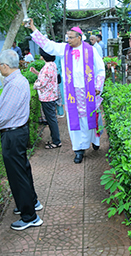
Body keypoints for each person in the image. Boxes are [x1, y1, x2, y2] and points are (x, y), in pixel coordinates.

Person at [27, 19, 105, 164]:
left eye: (70, 37)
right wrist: (33, 28)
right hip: (72, 93)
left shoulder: (91, 50)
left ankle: (94, 140)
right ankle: (78, 149)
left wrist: (98, 86)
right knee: (75, 120)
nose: (67, 40)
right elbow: (48, 45)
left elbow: (100, 69)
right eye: (67, 37)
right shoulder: (64, 49)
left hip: (88, 92)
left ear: (79, 38)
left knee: (90, 118)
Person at [0, 49, 43, 230]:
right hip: (18, 131)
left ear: (5, 66)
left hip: (12, 133)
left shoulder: (14, 84)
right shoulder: (19, 80)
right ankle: (31, 202)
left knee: (17, 175)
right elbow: (5, 107)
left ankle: (29, 217)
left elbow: (6, 112)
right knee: (22, 170)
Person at [30, 48, 61, 149]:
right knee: (52, 119)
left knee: (51, 119)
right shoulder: (52, 65)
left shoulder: (47, 66)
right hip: (51, 95)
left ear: (43, 56)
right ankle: (56, 139)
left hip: (47, 97)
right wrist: (36, 72)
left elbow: (42, 82)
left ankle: (56, 141)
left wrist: (35, 84)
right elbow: (46, 78)